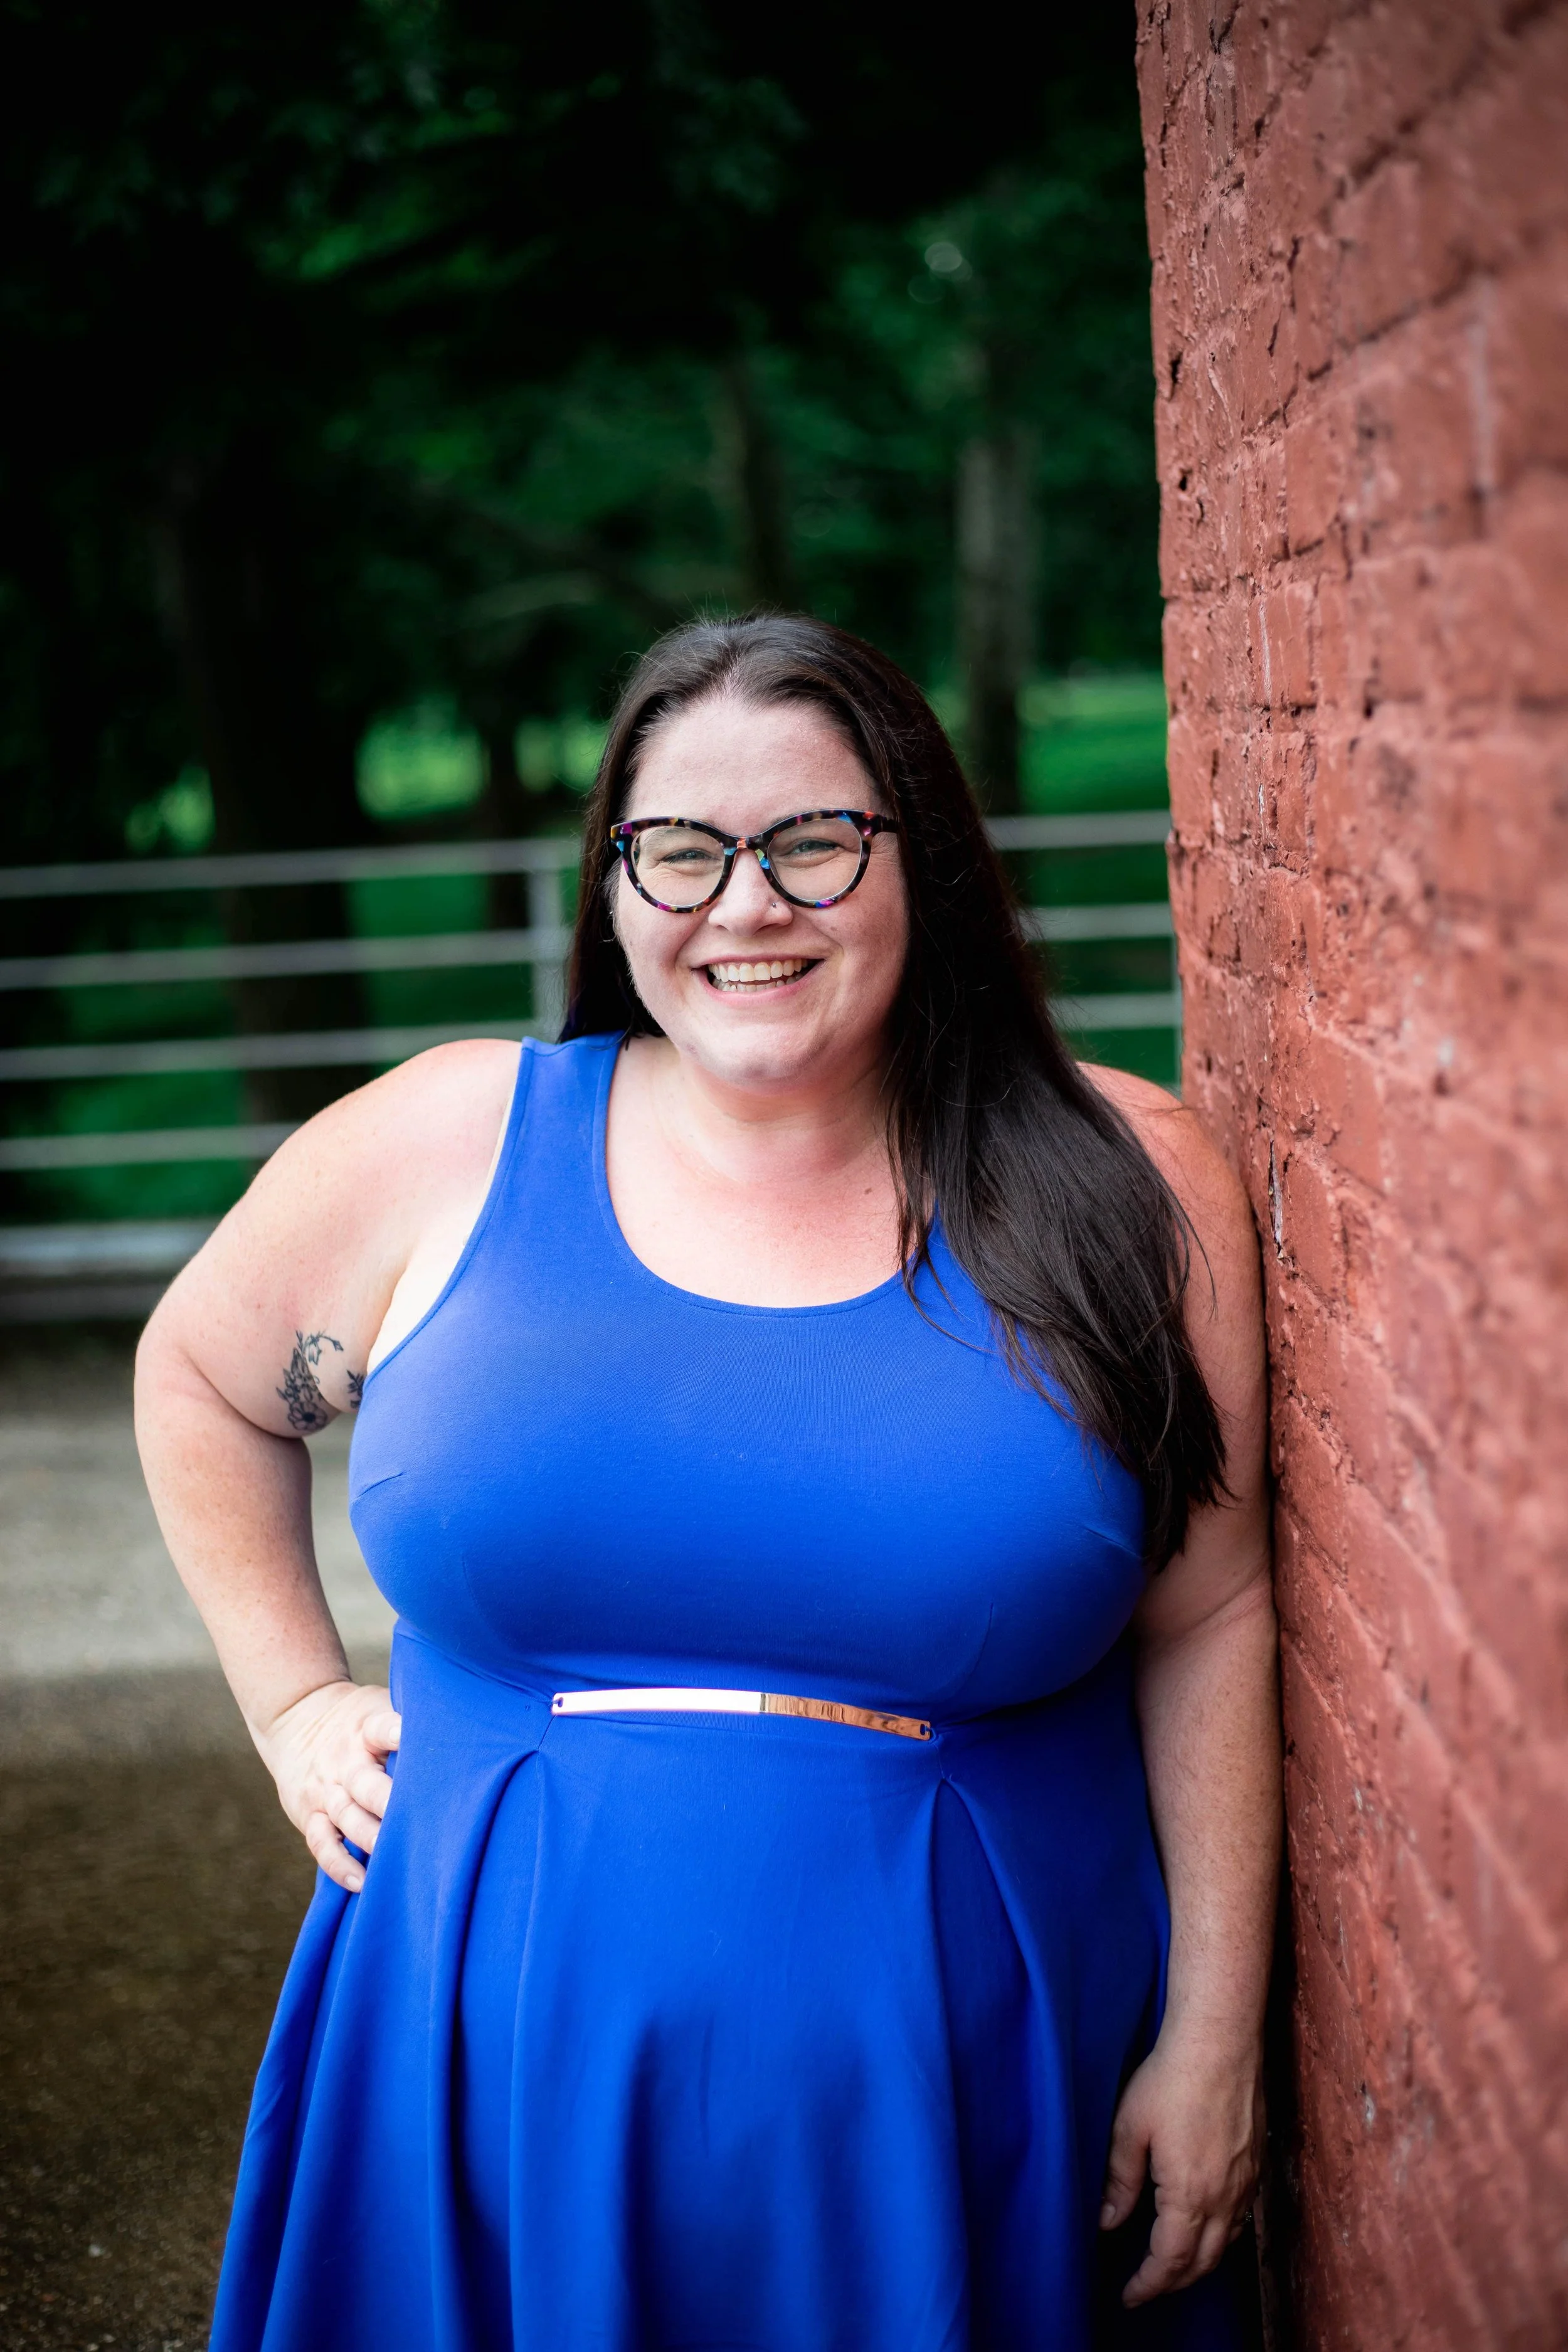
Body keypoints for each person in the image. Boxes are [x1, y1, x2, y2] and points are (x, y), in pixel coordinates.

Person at [135, 615, 1280, 2351]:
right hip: (478, 2049)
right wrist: (294, 1697)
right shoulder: (446, 1139)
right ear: (612, 876)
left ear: (927, 861)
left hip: (980, 2074)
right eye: (680, 848)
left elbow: (1209, 1616)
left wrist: (1212, 2033)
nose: (745, 904)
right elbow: (204, 1374)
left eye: (813, 841)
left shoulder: (1126, 1180)